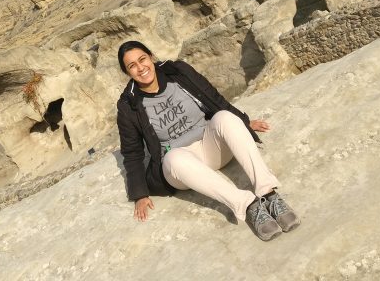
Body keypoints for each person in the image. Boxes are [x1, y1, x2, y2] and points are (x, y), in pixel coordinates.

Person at [115, 40, 300, 241]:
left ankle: (269, 193)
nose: (141, 68)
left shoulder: (176, 71)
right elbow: (132, 152)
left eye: (142, 59)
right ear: (127, 73)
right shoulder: (128, 105)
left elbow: (214, 97)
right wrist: (139, 193)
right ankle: (248, 205)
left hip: (211, 147)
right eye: (132, 66)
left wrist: (244, 123)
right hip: (182, 168)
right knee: (173, 158)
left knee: (225, 118)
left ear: (151, 56)